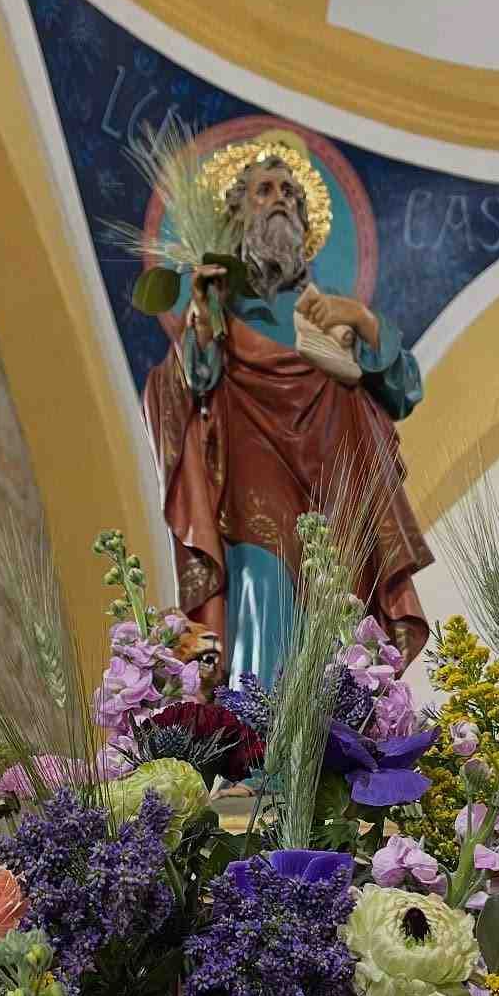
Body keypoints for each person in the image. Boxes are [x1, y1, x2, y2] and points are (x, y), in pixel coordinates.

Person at [142, 134, 430, 686]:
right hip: (255, 462)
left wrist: (363, 321)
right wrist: (201, 316)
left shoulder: (330, 310)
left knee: (340, 608)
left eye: (290, 194)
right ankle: (259, 720)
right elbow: (189, 385)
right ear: (236, 214)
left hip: (338, 471)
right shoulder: (219, 307)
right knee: (263, 584)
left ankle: (340, 732)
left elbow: (404, 392)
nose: (280, 199)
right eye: (264, 190)